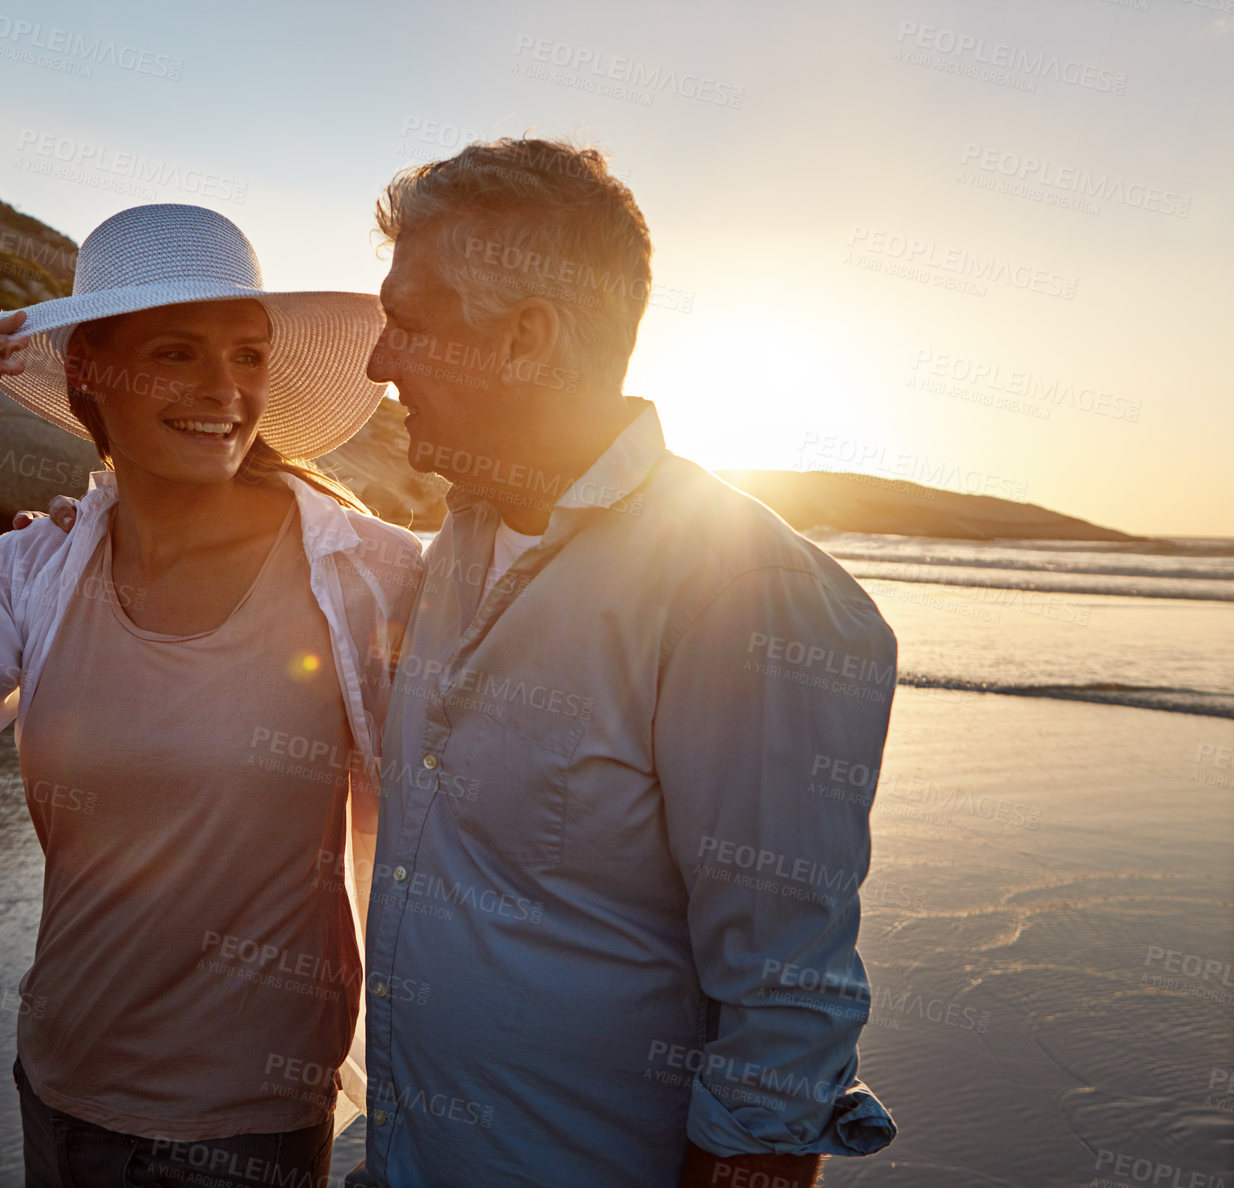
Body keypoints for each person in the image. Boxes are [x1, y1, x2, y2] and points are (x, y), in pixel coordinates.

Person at [0, 203, 422, 1188]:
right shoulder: (31, 570)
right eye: (177, 353)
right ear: (87, 369)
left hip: (245, 1124)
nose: (224, 391)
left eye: (247, 357)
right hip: (58, 1089)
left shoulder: (363, 571)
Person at [344, 139, 899, 1186]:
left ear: (524, 338)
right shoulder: (451, 549)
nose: (379, 362)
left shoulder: (743, 593)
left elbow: (784, 1022)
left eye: (408, 324)